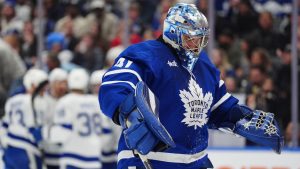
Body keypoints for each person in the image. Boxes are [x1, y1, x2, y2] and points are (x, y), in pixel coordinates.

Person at [99, 3, 283, 169]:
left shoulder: (204, 64)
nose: (197, 45)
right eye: (190, 38)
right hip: (148, 159)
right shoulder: (146, 54)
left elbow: (220, 108)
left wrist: (243, 119)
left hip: (196, 161)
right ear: (173, 32)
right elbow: (115, 86)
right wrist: (130, 114)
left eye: (200, 39)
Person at [1, 68, 48, 169]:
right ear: (33, 85)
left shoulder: (13, 100)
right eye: (42, 89)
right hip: (28, 149)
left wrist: (5, 145)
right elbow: (37, 131)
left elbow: (3, 126)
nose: (44, 92)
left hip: (10, 147)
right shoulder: (39, 102)